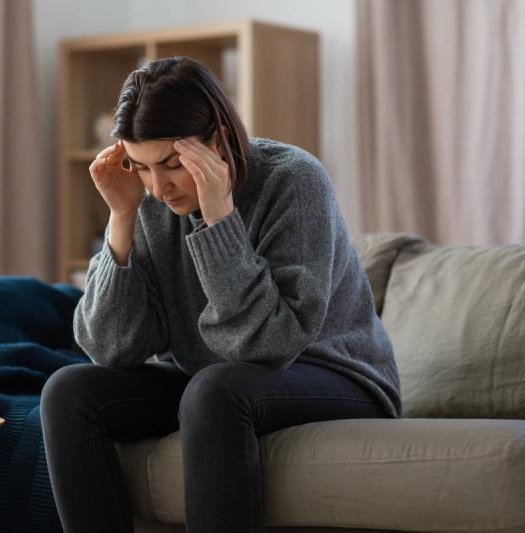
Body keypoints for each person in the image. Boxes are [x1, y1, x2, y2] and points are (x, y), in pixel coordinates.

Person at [40, 56, 401, 533]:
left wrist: (220, 219)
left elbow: (268, 346)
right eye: (142, 167)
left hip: (332, 373)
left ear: (218, 140)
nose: (158, 187)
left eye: (172, 165)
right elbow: (110, 348)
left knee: (215, 390)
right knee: (68, 390)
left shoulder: (295, 180)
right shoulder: (146, 200)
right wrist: (121, 219)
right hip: (211, 378)